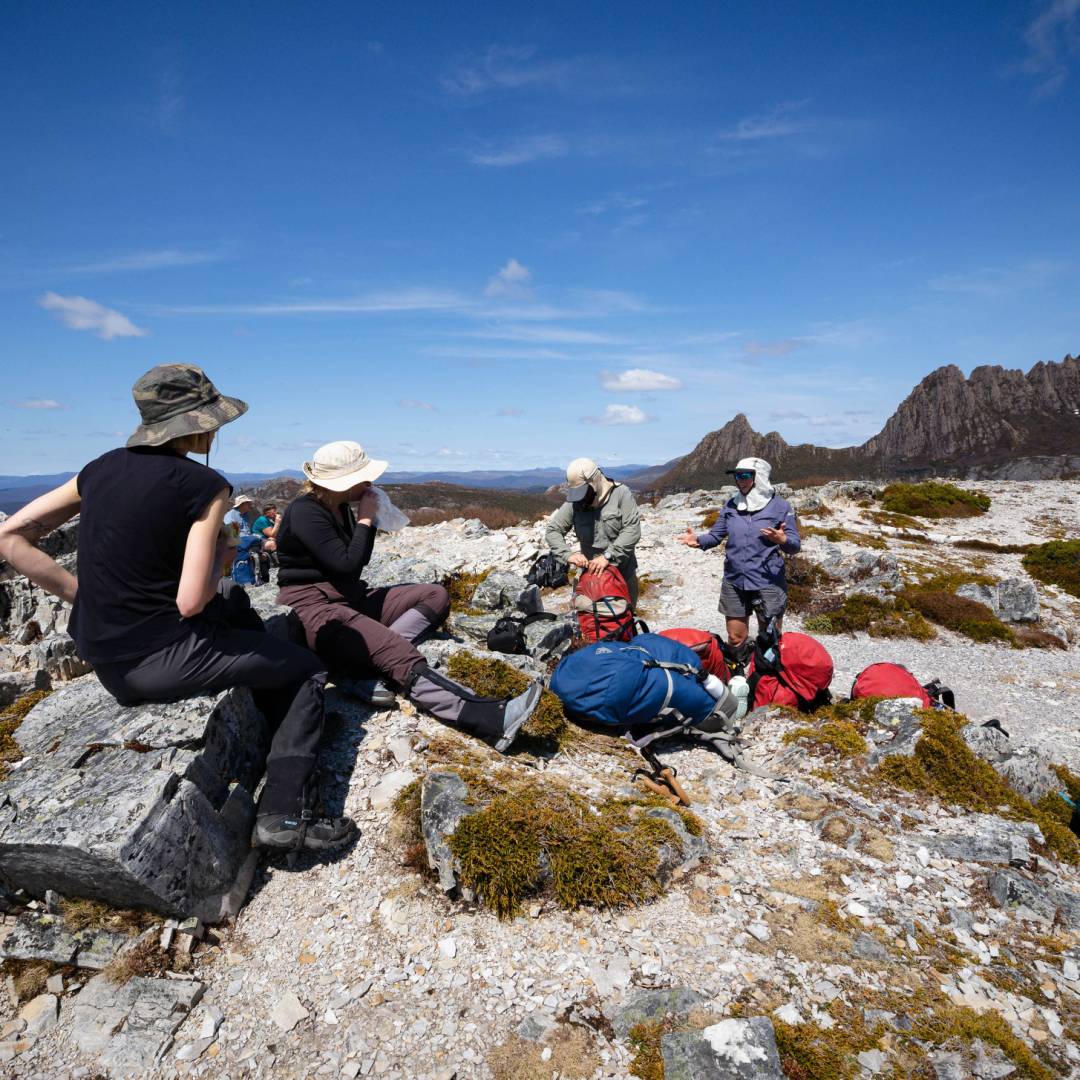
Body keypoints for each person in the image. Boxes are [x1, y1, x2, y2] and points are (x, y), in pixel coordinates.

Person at [0, 364, 355, 853]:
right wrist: (225, 556)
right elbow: (191, 601)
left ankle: (274, 715)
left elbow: (10, 536)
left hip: (101, 653)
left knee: (234, 601)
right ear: (195, 423)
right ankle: (283, 815)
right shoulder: (206, 486)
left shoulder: (98, 468)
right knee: (307, 670)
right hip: (156, 661)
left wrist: (85, 596)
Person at [274, 440, 541, 751]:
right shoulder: (306, 511)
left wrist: (367, 521)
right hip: (316, 610)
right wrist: (366, 519)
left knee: (434, 596)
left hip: (348, 598)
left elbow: (355, 564)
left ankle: (366, 668)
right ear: (343, 482)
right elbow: (346, 564)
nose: (370, 482)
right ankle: (491, 720)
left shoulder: (340, 507)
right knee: (396, 651)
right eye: (363, 477)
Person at [678, 456, 800, 658]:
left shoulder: (780, 506)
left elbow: (794, 546)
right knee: (735, 638)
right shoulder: (732, 505)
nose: (740, 480)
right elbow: (716, 536)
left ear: (759, 477)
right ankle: (737, 677)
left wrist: (782, 539)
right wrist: (698, 541)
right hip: (734, 581)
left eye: (745, 475)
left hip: (767, 582)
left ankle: (764, 680)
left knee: (770, 638)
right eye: (736, 475)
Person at [544, 457, 642, 604]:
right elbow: (553, 530)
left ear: (594, 482)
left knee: (625, 620)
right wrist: (568, 555)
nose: (581, 498)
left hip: (622, 574)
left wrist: (608, 556)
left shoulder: (621, 494)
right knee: (587, 622)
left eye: (584, 492)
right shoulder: (575, 503)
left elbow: (632, 530)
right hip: (589, 577)